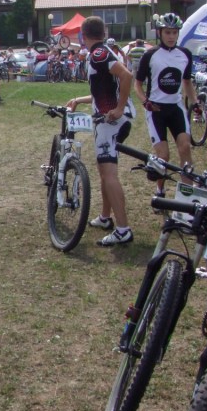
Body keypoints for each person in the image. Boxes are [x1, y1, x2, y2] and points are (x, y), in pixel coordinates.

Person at [65, 16, 136, 245]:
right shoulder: (100, 53)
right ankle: (106, 217)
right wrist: (79, 99)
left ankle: (123, 229)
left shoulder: (98, 54)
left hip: (110, 121)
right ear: (103, 33)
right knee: (104, 170)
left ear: (82, 36)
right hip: (106, 120)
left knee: (109, 173)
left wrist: (120, 107)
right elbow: (102, 90)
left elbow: (126, 76)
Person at [133, 12, 197, 195]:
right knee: (163, 156)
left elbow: (187, 81)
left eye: (174, 32)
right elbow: (137, 84)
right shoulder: (150, 55)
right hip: (156, 110)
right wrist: (145, 101)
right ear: (160, 33)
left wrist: (195, 103)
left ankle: (187, 194)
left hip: (176, 108)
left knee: (185, 147)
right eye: (167, 32)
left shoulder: (185, 55)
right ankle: (160, 190)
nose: (171, 36)